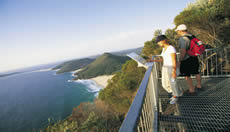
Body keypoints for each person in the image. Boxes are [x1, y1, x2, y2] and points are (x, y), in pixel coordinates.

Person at [148, 35, 182, 104]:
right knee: (165, 83)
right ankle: (178, 92)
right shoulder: (164, 49)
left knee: (173, 83)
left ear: (163, 40)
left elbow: (174, 60)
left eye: (159, 41)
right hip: (165, 67)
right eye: (157, 42)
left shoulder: (171, 48)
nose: (158, 43)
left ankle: (176, 96)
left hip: (171, 67)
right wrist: (153, 60)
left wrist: (174, 71)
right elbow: (163, 59)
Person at [175, 24, 202, 95]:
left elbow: (183, 51)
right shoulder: (192, 36)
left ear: (180, 31)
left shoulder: (183, 39)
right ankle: (199, 86)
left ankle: (191, 90)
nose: (177, 32)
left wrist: (180, 60)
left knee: (187, 75)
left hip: (187, 59)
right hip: (194, 57)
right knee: (196, 72)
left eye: (178, 31)